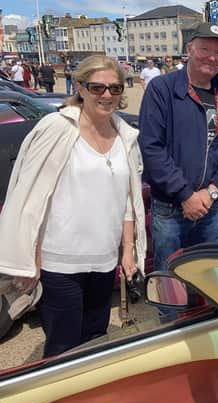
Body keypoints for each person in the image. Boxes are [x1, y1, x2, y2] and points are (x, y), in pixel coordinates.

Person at [0, 55, 146, 357]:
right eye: (97, 88)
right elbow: (32, 197)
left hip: (104, 260)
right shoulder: (56, 128)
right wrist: (31, 257)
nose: (107, 95)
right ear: (80, 87)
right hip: (60, 261)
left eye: (115, 89)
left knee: (96, 339)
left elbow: (128, 201)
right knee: (63, 346)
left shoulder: (125, 137)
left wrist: (128, 251)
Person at [138, 22, 218, 272]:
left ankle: (203, 313)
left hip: (210, 205)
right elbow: (152, 147)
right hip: (171, 207)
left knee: (206, 276)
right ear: (189, 49)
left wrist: (213, 191)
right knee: (169, 279)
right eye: (204, 49)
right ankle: (171, 313)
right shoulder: (162, 89)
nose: (212, 57)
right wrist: (185, 194)